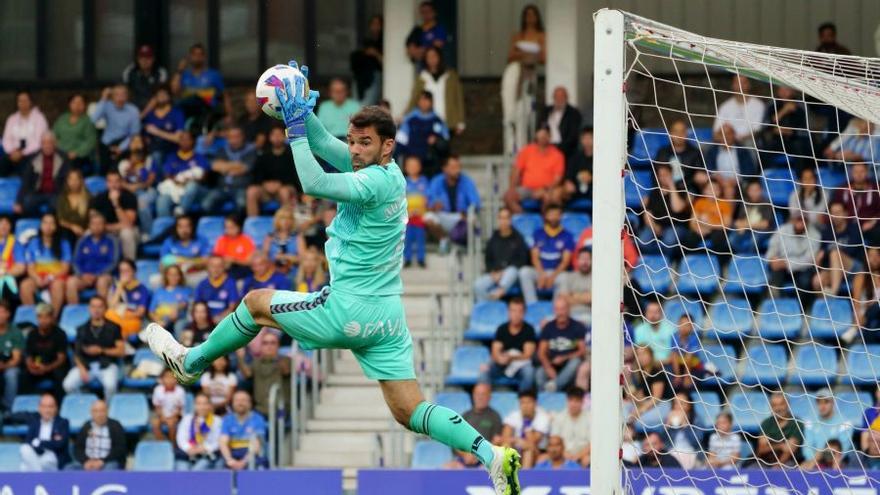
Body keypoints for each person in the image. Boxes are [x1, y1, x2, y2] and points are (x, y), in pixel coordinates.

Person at [143, 64, 522, 494]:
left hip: (348, 308)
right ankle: (493, 456)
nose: (356, 150)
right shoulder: (388, 172)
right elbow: (324, 143)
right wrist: (303, 110)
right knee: (409, 410)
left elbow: (312, 179)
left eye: (365, 143)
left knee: (254, 302)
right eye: (354, 141)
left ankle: (192, 364)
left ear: (388, 146)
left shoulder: (373, 183)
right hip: (387, 317)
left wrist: (292, 128)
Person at [62, 296, 124, 399]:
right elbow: (76, 353)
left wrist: (102, 350)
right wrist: (81, 368)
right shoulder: (81, 329)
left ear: (105, 308)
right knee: (68, 384)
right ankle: (85, 405)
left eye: (100, 307)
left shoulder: (114, 327)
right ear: (89, 308)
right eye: (93, 307)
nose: (96, 310)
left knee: (110, 385)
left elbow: (121, 351)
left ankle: (107, 410)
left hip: (107, 365)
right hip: (86, 365)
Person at [518, 204, 575, 304]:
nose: (554, 217)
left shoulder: (567, 235)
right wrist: (541, 274)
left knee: (565, 278)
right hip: (540, 271)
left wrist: (552, 277)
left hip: (557, 273)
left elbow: (565, 262)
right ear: (546, 216)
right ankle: (532, 305)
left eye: (557, 214)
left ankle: (556, 308)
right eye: (551, 214)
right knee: (524, 272)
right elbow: (534, 257)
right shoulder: (538, 233)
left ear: (561, 216)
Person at [480, 298, 537, 393]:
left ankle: (523, 401)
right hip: (502, 363)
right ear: (508, 312)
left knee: (529, 372)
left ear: (524, 313)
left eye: (519, 311)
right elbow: (495, 351)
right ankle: (486, 400)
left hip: (520, 365)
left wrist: (511, 357)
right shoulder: (502, 329)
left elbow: (528, 354)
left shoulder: (529, 329)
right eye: (513, 311)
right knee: (483, 371)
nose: (516, 315)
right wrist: (500, 359)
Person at [423, 155, 481, 248]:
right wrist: (434, 206)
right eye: (453, 167)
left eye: (458, 167)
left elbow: (475, 203)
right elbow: (428, 203)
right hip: (443, 216)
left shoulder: (466, 181)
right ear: (444, 168)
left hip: (460, 218)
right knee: (428, 217)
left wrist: (466, 213)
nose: (457, 170)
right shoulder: (437, 181)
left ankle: (459, 243)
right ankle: (443, 239)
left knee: (472, 219)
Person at [504, 126, 565, 213]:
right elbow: (516, 171)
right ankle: (524, 218)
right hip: (527, 189)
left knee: (549, 198)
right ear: (536, 135)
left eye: (545, 135)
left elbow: (557, 179)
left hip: (546, 190)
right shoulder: (526, 151)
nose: (542, 137)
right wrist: (512, 188)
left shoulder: (557, 155)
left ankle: (543, 223)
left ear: (549, 136)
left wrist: (544, 189)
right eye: (540, 135)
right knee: (508, 196)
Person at [474, 207, 530, 301]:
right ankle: (487, 306)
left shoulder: (518, 238)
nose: (503, 221)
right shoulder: (493, 238)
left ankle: (500, 291)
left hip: (512, 276)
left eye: (506, 218)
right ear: (498, 220)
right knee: (477, 285)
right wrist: (492, 272)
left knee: (512, 270)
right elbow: (488, 259)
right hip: (495, 274)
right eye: (501, 218)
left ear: (510, 220)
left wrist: (503, 273)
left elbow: (522, 260)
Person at [20, 214, 71, 315]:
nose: (48, 226)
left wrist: (50, 278)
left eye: (51, 223)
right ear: (41, 225)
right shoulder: (33, 243)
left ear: (56, 226)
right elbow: (30, 268)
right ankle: (34, 319)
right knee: (25, 285)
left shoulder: (64, 243)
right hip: (39, 276)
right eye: (45, 223)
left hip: (56, 277)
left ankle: (52, 319)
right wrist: (36, 278)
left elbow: (65, 268)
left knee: (57, 285)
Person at [407, 46, 465, 135]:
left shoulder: (451, 76)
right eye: (428, 57)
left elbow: (458, 99)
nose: (431, 59)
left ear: (439, 57)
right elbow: (414, 99)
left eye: (434, 56)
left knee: (444, 146)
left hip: (448, 120)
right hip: (427, 121)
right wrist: (405, 117)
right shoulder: (422, 77)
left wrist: (461, 122)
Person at [171, 43, 232, 126]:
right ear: (190, 56)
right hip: (188, 111)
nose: (197, 57)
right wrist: (180, 70)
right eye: (194, 54)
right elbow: (174, 91)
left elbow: (225, 95)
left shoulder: (213, 75)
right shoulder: (184, 75)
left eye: (200, 55)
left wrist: (229, 115)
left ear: (204, 57)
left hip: (208, 112)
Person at [766, 209, 821, 302]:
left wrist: (786, 263)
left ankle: (801, 308)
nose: (800, 222)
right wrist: (772, 259)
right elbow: (772, 248)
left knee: (805, 280)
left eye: (803, 220)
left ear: (808, 222)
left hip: (802, 268)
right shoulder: (782, 230)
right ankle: (774, 301)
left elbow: (809, 259)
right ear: (793, 220)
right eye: (798, 219)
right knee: (775, 273)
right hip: (781, 266)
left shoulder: (815, 235)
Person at [246, 126, 301, 217]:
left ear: (284, 136)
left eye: (279, 135)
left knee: (284, 192)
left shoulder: (291, 154)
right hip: (266, 188)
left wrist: (280, 184)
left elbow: (294, 175)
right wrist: (264, 184)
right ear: (270, 137)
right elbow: (256, 174)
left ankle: (287, 222)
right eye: (274, 135)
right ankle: (252, 223)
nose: (276, 138)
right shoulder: (264, 155)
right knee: (251, 191)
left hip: (285, 187)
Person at [535, 298, 587, 392]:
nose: (560, 312)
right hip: (552, 363)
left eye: (563, 309)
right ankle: (543, 398)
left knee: (575, 362)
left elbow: (582, 351)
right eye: (557, 309)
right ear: (554, 310)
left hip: (569, 364)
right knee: (539, 372)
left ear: (568, 309)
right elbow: (541, 352)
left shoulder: (577, 326)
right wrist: (548, 368)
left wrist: (564, 358)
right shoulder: (548, 327)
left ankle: (554, 387)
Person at [156, 130, 211, 218]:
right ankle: (165, 227)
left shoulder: (199, 157)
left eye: (187, 139)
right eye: (182, 139)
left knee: (192, 185)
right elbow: (167, 174)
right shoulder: (172, 156)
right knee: (162, 200)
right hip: (176, 189)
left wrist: (187, 181)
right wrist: (177, 181)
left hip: (196, 192)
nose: (184, 142)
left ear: (193, 141)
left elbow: (204, 177)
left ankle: (180, 212)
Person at [66, 211, 117, 304]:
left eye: (99, 224)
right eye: (94, 224)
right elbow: (76, 261)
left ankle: (102, 314)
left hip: (104, 275)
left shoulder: (112, 241)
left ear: (105, 225)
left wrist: (97, 275)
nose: (97, 226)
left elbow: (114, 262)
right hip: (84, 276)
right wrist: (82, 275)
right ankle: (74, 314)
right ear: (89, 225)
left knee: (102, 281)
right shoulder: (82, 241)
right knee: (71, 282)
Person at [396, 91, 449, 177]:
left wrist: (437, 139)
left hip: (431, 163)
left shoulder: (437, 120)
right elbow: (400, 142)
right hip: (412, 162)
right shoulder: (409, 120)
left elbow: (445, 141)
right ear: (418, 102)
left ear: (431, 102)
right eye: (422, 100)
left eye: (426, 100)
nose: (424, 103)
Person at [237, 330, 290, 416]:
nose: (269, 346)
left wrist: (276, 356)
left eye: (273, 343)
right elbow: (247, 374)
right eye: (265, 343)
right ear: (261, 346)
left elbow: (286, 371)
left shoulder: (286, 359)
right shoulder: (256, 362)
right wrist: (240, 358)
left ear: (278, 345)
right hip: (260, 410)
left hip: (280, 410)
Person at [204, 125, 256, 213]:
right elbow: (215, 166)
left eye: (237, 136)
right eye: (231, 137)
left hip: (240, 188)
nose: (234, 140)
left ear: (242, 137)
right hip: (222, 188)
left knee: (242, 203)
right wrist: (236, 165)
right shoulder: (223, 150)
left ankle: (238, 225)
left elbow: (244, 168)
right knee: (206, 204)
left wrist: (225, 167)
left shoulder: (250, 150)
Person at [90, 170, 139, 261]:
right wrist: (105, 227)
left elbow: (128, 224)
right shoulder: (99, 198)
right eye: (110, 181)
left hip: (128, 230)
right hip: (104, 228)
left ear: (121, 182)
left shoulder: (130, 197)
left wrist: (116, 204)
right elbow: (92, 220)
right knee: (88, 233)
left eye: (116, 181)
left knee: (126, 233)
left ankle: (129, 264)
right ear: (106, 183)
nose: (114, 184)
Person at [20, 304, 68, 397]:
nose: (43, 321)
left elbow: (61, 358)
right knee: (24, 375)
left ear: (52, 318)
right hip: (37, 366)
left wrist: (47, 368)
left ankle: (59, 404)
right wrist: (31, 366)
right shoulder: (32, 334)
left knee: (60, 374)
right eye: (40, 317)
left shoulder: (60, 334)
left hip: (53, 366)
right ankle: (26, 403)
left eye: (46, 317)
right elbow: (28, 355)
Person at [16, 131, 69, 215]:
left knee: (56, 205)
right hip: (37, 193)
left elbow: (67, 179)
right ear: (41, 144)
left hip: (55, 193)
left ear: (55, 144)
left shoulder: (63, 158)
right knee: (27, 203)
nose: (47, 146)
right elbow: (26, 181)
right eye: (44, 143)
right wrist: (18, 202)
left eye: (50, 143)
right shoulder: (33, 158)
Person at [91, 84, 141, 172]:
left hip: (124, 144)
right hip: (106, 143)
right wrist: (103, 98)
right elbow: (93, 120)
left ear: (127, 96)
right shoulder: (107, 105)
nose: (120, 98)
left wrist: (121, 148)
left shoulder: (133, 110)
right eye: (117, 95)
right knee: (104, 171)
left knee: (121, 171)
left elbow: (134, 134)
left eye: (123, 95)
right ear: (112, 96)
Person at [801, 389, 854, 467]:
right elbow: (807, 448)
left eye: (826, 402)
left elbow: (844, 449)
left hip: (836, 462)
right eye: (819, 403)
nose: (822, 406)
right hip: (815, 462)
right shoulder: (810, 423)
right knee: (802, 468)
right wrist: (816, 460)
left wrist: (826, 457)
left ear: (833, 403)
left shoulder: (845, 423)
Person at [1, 90, 48, 176]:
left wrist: (22, 153)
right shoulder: (12, 119)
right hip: (13, 153)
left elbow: (38, 141)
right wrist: (12, 151)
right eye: (20, 101)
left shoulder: (39, 118)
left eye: (25, 100)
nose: (23, 103)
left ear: (30, 102)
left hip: (32, 154)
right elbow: (6, 139)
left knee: (27, 168)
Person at [118, 134, 158, 234]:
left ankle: (148, 234)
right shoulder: (123, 163)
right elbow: (117, 181)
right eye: (133, 142)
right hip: (128, 191)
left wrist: (137, 176)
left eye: (138, 141)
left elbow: (150, 182)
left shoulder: (149, 160)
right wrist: (129, 186)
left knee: (142, 204)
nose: (136, 144)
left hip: (147, 191)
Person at [18, 393, 70, 471]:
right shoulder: (34, 422)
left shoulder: (62, 422)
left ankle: (37, 476)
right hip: (36, 454)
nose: (47, 410)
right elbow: (28, 441)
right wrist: (43, 445)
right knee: (24, 448)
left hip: (53, 455)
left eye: (50, 407)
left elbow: (59, 445)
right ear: (39, 408)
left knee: (28, 467)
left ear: (56, 408)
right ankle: (39, 475)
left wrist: (39, 442)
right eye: (44, 406)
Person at [69, 400, 126, 471]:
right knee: (69, 468)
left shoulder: (115, 425)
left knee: (110, 469)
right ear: (91, 413)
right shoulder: (86, 426)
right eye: (96, 411)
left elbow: (120, 448)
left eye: (102, 411)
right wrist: (85, 461)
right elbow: (78, 448)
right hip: (88, 462)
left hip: (108, 462)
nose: (99, 414)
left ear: (107, 412)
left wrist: (102, 461)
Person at [499, 390, 550, 469]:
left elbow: (533, 441)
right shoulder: (513, 415)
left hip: (538, 452)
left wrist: (527, 424)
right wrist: (517, 441)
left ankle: (526, 479)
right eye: (522, 403)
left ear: (535, 403)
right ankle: (508, 478)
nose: (525, 406)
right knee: (506, 446)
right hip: (517, 449)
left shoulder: (543, 418)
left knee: (528, 450)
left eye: (528, 402)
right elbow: (505, 437)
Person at [218, 390, 267, 470]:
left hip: (251, 455)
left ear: (250, 403)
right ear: (232, 403)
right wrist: (229, 460)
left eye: (243, 400)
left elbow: (257, 445)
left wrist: (244, 462)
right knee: (219, 466)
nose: (240, 403)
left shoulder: (257, 419)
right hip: (232, 454)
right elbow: (223, 442)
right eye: (237, 400)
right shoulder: (227, 419)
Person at [104, 259, 151, 339]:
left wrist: (126, 314)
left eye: (127, 271)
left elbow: (140, 312)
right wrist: (120, 287)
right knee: (108, 315)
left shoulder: (142, 289)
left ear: (134, 271)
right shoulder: (115, 287)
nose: (124, 274)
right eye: (122, 271)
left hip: (133, 320)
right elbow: (111, 307)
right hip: (118, 319)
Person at [712, 74, 764, 148]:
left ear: (749, 84)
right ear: (732, 85)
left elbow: (757, 131)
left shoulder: (758, 105)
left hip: (748, 144)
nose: (740, 86)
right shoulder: (725, 106)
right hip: (727, 144)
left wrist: (738, 139)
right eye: (737, 83)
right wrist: (728, 139)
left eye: (743, 82)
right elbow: (716, 134)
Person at [175, 393, 222, 470]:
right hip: (188, 453)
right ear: (194, 406)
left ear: (210, 405)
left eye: (205, 404)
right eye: (199, 404)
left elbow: (218, 441)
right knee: (182, 471)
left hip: (207, 454)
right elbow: (181, 438)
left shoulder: (217, 420)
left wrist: (205, 448)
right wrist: (189, 448)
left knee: (197, 470)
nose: (202, 407)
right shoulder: (187, 418)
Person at [755, 392, 803, 467]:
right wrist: (780, 446)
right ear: (771, 407)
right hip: (765, 461)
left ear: (788, 404)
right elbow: (761, 449)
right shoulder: (766, 423)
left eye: (781, 404)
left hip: (788, 462)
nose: (778, 408)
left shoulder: (797, 423)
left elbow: (789, 450)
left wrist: (778, 465)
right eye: (774, 405)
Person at [831, 161, 880, 233]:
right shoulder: (842, 190)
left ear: (867, 172)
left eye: (862, 171)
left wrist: (872, 222)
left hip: (869, 227)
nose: (859, 174)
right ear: (851, 173)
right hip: (846, 227)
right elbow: (834, 206)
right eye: (856, 171)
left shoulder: (876, 189)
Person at [52, 93, 97, 170]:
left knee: (70, 166)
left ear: (84, 105)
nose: (77, 106)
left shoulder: (87, 121)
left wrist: (76, 153)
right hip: (60, 153)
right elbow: (53, 134)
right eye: (74, 103)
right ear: (70, 104)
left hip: (78, 157)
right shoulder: (62, 118)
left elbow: (90, 141)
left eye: (80, 103)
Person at [142, 85, 184, 164]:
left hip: (172, 149)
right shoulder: (150, 115)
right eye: (158, 95)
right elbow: (146, 139)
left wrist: (157, 132)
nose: (161, 97)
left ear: (169, 96)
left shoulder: (176, 113)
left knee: (158, 156)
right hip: (153, 150)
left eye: (164, 94)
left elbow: (178, 138)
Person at [550, 387, 590, 467]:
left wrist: (578, 456)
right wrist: (565, 454)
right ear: (567, 401)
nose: (573, 404)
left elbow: (593, 444)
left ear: (582, 402)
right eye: (571, 400)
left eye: (577, 401)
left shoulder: (590, 418)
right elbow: (554, 440)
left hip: (583, 455)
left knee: (587, 459)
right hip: (562, 454)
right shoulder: (559, 417)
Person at [122, 44, 169, 110]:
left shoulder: (160, 72)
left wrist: (142, 114)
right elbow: (124, 92)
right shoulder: (130, 72)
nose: (145, 61)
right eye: (142, 57)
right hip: (133, 109)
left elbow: (161, 95)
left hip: (154, 110)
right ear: (138, 59)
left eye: (148, 58)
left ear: (153, 59)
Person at [402, 155, 429, 268]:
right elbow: (400, 198)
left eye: (415, 165)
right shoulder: (403, 182)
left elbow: (428, 197)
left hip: (420, 216)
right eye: (410, 166)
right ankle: (407, 258)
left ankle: (421, 258)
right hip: (408, 217)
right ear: (405, 168)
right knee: (407, 238)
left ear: (420, 167)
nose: (413, 168)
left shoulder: (424, 181)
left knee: (420, 238)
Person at [194, 255, 238, 324]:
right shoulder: (202, 284)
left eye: (219, 266)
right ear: (208, 267)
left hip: (223, 321)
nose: (216, 269)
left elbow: (232, 307)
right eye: (213, 266)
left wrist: (219, 318)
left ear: (224, 267)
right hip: (205, 320)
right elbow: (197, 305)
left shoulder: (230, 283)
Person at [351, 15, 384, 105]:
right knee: (356, 105)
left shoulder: (385, 41)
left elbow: (387, 64)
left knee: (367, 105)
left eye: (378, 24)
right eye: (373, 24)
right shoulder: (365, 41)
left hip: (375, 76)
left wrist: (376, 54)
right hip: (360, 77)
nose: (375, 27)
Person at [149, 265, 192, 333]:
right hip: (161, 321)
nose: (173, 277)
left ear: (180, 276)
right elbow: (151, 311)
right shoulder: (159, 291)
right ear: (166, 276)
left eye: (176, 275)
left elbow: (185, 303)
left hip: (177, 320)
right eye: (170, 275)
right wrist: (158, 321)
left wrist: (176, 308)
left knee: (178, 325)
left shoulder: (185, 290)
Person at [262, 206, 305, 275]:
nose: (286, 221)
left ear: (292, 221)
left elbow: (303, 259)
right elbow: (264, 258)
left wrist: (286, 257)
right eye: (282, 218)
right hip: (272, 272)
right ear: (277, 220)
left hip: (293, 272)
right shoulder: (269, 237)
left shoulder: (298, 237)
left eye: (289, 218)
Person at [541, 87, 581, 158]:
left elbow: (573, 136)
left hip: (566, 151)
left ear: (566, 98)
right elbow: (540, 129)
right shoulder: (545, 111)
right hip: (546, 148)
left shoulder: (574, 113)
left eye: (561, 96)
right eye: (556, 96)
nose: (559, 99)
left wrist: (559, 149)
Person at [213, 214, 256, 280]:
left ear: (239, 227)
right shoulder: (221, 240)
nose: (229, 230)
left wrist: (234, 260)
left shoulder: (246, 240)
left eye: (232, 227)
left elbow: (249, 262)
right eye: (226, 228)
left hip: (242, 269)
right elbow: (216, 258)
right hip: (224, 269)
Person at [555, 249, 591, 325]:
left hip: (588, 315)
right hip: (568, 315)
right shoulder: (568, 276)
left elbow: (593, 299)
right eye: (582, 259)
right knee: (545, 322)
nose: (584, 262)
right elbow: (563, 298)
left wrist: (573, 295)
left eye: (587, 259)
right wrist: (585, 297)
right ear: (577, 261)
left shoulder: (596, 278)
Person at [560, 127, 593, 207]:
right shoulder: (575, 157)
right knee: (560, 193)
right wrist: (568, 183)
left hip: (593, 191)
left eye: (590, 138)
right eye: (585, 138)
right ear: (581, 140)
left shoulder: (601, 159)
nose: (587, 141)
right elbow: (568, 176)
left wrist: (591, 178)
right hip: (576, 190)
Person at [56, 169, 91, 241]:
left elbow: (92, 217)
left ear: (81, 181)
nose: (73, 182)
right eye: (71, 179)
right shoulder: (62, 198)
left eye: (76, 179)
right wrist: (72, 227)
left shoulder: (89, 198)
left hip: (85, 230)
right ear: (67, 181)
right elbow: (60, 219)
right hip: (66, 230)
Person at [152, 368, 185, 441]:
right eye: (167, 377)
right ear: (162, 379)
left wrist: (172, 417)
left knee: (171, 424)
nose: (169, 380)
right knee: (155, 423)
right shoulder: (157, 389)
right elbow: (157, 406)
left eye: (172, 377)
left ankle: (172, 445)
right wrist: (162, 416)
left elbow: (179, 408)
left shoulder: (180, 391)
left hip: (175, 415)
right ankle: (162, 444)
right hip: (161, 415)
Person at [0, 302, 22, 411]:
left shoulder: (15, 332)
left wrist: (4, 366)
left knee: (11, 375)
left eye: (1, 312)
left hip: (9, 366)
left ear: (8, 314)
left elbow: (16, 359)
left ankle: (9, 408)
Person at [0, 216, 25, 298]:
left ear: (11, 226)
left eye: (6, 223)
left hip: (8, 279)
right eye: (1, 223)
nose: (3, 226)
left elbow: (21, 267)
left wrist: (5, 273)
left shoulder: (16, 244)